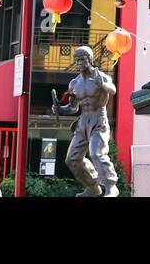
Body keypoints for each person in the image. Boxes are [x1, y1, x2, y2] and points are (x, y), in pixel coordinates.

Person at [51, 44, 118, 197]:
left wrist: (103, 85)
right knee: (72, 159)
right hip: (83, 121)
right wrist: (61, 109)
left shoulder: (101, 77)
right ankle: (93, 186)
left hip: (98, 119)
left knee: (96, 153)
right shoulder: (74, 83)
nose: (80, 62)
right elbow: (73, 108)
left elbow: (113, 90)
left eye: (83, 59)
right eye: (77, 60)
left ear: (90, 59)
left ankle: (111, 186)